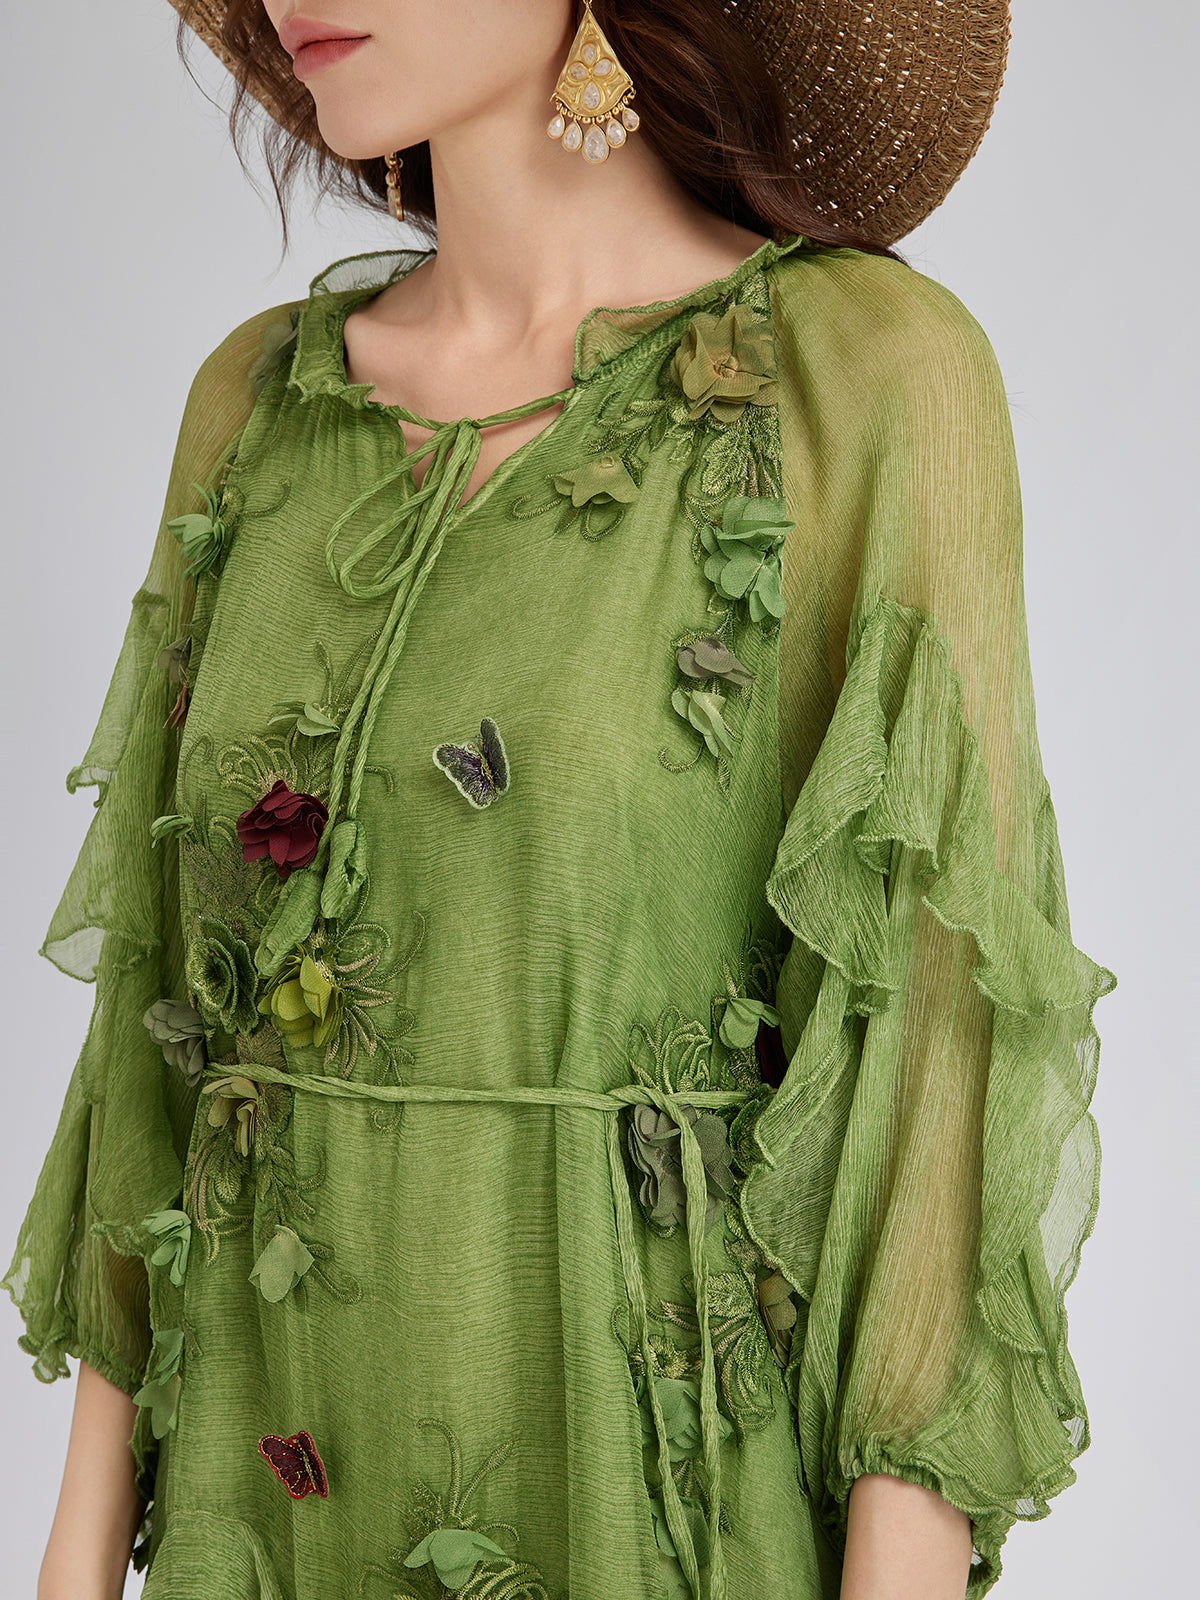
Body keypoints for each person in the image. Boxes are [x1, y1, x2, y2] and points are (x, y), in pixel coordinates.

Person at [7, 3, 1117, 1598]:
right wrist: (71, 1562)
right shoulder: (253, 408)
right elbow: (157, 1038)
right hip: (262, 1497)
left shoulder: (861, 378)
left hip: (640, 1500)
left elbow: (931, 1076)